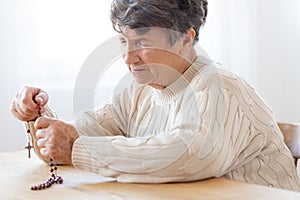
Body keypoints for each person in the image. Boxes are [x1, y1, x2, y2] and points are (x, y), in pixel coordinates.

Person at [10, 0, 300, 191]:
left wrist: (77, 148)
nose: (127, 58)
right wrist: (39, 117)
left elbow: (187, 155)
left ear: (185, 39)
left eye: (142, 42)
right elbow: (70, 142)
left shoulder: (219, 88)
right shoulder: (138, 91)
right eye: (124, 41)